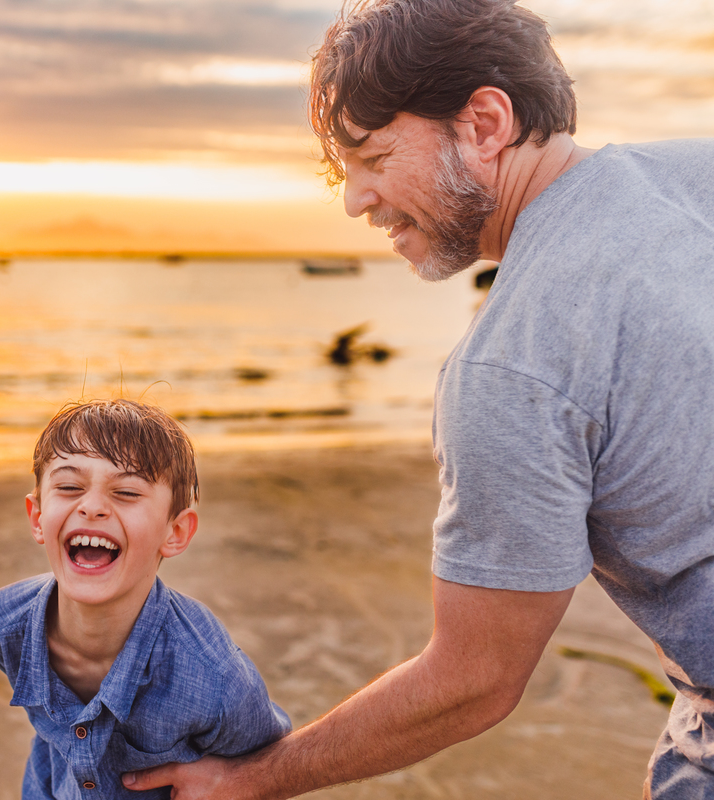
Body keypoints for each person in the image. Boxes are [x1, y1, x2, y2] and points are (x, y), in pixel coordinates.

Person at [120, 0, 714, 798]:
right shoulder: (695, 175)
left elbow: (475, 678)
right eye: (344, 172)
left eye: (373, 156)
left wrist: (254, 778)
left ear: (484, 122)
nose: (354, 201)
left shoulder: (511, 368)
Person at [0, 398, 291, 798]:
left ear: (174, 532)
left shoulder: (214, 677)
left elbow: (270, 759)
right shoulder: (3, 627)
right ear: (38, 517)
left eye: (125, 492)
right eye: (70, 487)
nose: (91, 507)